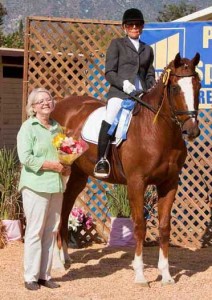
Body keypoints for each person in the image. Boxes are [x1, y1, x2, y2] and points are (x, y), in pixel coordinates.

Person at [17, 88, 70, 291]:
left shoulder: (58, 127)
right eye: (40, 101)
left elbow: (65, 154)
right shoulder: (28, 127)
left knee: (51, 231)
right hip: (35, 185)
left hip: (55, 184)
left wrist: (66, 165)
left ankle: (44, 275)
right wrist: (52, 165)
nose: (45, 103)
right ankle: (30, 276)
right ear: (32, 107)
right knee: (35, 231)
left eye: (48, 99)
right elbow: (26, 158)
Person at [94, 8, 156, 178]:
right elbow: (109, 72)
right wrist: (124, 84)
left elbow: (150, 74)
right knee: (111, 116)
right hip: (120, 92)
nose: (134, 27)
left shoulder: (147, 49)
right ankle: (101, 159)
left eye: (138, 25)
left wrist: (149, 89)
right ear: (124, 27)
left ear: (142, 27)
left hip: (141, 93)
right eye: (131, 25)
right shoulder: (117, 44)